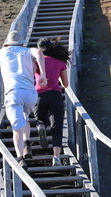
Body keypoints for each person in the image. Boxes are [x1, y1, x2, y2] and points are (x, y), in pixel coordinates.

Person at [0, 31, 47, 169]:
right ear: (21, 42)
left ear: (8, 43)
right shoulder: (27, 51)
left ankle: (20, 158)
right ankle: (27, 144)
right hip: (31, 94)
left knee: (17, 127)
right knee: (25, 118)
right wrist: (43, 74)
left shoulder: (2, 52)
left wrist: (0, 70)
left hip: (13, 93)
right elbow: (39, 53)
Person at [33, 37, 70, 166]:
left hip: (39, 95)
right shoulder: (60, 62)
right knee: (57, 127)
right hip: (55, 94)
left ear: (39, 50)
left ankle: (41, 126)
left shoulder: (36, 62)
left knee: (40, 118)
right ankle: (56, 157)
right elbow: (65, 84)